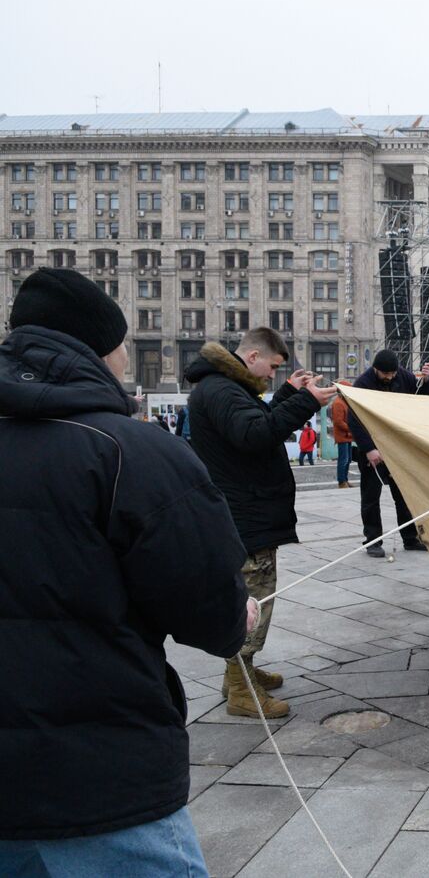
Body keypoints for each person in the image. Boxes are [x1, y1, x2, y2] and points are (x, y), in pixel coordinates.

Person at [0, 268, 254, 872]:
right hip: (97, 773)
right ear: (107, 350)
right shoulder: (129, 450)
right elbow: (210, 609)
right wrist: (233, 621)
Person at [185, 327, 336, 717]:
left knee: (253, 595)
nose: (272, 376)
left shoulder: (224, 387)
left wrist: (288, 396)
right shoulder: (221, 390)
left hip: (245, 512)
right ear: (252, 358)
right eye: (272, 368)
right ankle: (241, 688)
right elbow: (255, 434)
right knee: (253, 601)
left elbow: (252, 422)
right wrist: (304, 402)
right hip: (244, 517)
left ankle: (240, 673)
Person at [349, 350, 429, 557]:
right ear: (375, 369)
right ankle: (373, 541)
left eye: (392, 374)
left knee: (403, 495)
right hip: (372, 448)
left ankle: (410, 537)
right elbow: (355, 420)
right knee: (371, 497)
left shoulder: (403, 376)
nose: (389, 377)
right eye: (385, 374)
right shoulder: (362, 384)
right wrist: (369, 449)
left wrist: (427, 380)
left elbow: (422, 397)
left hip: (396, 448)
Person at [330, 380, 354, 489]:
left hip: (347, 435)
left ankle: (345, 480)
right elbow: (338, 422)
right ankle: (341, 481)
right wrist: (351, 429)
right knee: (344, 460)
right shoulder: (338, 402)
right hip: (343, 435)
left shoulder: (343, 401)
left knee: (347, 459)